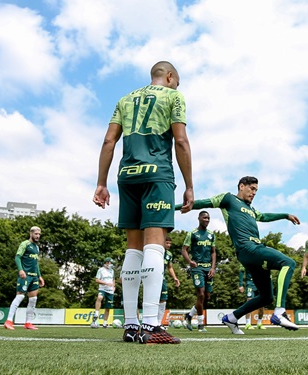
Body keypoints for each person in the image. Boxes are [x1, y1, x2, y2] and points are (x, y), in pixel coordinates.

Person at [93, 61, 193, 345]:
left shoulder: (124, 99)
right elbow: (181, 141)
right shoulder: (174, 97)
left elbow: (108, 141)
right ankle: (150, 325)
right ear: (170, 77)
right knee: (154, 245)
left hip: (126, 176)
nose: (177, 86)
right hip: (156, 174)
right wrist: (189, 186)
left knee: (133, 247)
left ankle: (130, 325)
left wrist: (101, 183)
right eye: (177, 81)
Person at [177, 176, 301, 334]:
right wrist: (173, 207)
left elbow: (264, 216)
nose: (254, 193)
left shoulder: (251, 209)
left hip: (252, 252)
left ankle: (232, 318)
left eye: (256, 190)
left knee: (266, 297)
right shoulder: (228, 199)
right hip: (248, 247)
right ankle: (279, 312)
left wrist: (285, 215)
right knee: (288, 263)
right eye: (252, 189)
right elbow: (202, 202)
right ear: (241, 186)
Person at [181, 211, 217, 332]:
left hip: (208, 268)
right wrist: (189, 261)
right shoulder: (192, 234)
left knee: (206, 297)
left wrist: (213, 267)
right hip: (197, 268)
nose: (207, 220)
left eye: (208, 218)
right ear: (199, 218)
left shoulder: (211, 235)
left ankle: (189, 315)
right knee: (200, 294)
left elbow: (213, 252)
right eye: (205, 217)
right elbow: (184, 250)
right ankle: (201, 324)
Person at [4, 226, 44, 330]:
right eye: (36, 234)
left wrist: (40, 276)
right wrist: (20, 270)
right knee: (20, 297)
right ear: (31, 234)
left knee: (33, 299)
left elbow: (36, 263)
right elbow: (17, 257)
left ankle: (28, 323)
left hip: (34, 277)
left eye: (39, 234)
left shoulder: (36, 247)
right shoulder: (25, 244)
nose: (38, 236)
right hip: (25, 275)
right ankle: (8, 321)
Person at [158, 235, 180, 329]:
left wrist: (175, 278)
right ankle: (151, 322)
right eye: (167, 243)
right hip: (153, 278)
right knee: (153, 300)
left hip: (162, 278)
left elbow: (169, 267)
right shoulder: (157, 252)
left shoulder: (169, 254)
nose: (169, 245)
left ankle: (159, 323)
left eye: (170, 243)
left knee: (163, 299)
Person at [238, 264, 267, 330]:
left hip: (260, 284)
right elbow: (241, 271)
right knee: (249, 302)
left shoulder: (261, 259)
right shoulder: (246, 259)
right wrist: (240, 284)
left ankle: (259, 323)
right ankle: (247, 323)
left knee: (262, 303)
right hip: (250, 284)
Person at [91, 258, 115, 329]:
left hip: (110, 291)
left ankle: (105, 323)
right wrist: (105, 283)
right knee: (100, 297)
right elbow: (97, 280)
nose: (111, 264)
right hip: (102, 289)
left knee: (108, 307)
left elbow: (113, 279)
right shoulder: (101, 270)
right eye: (110, 263)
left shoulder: (112, 271)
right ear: (106, 263)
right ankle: (96, 314)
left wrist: (114, 286)